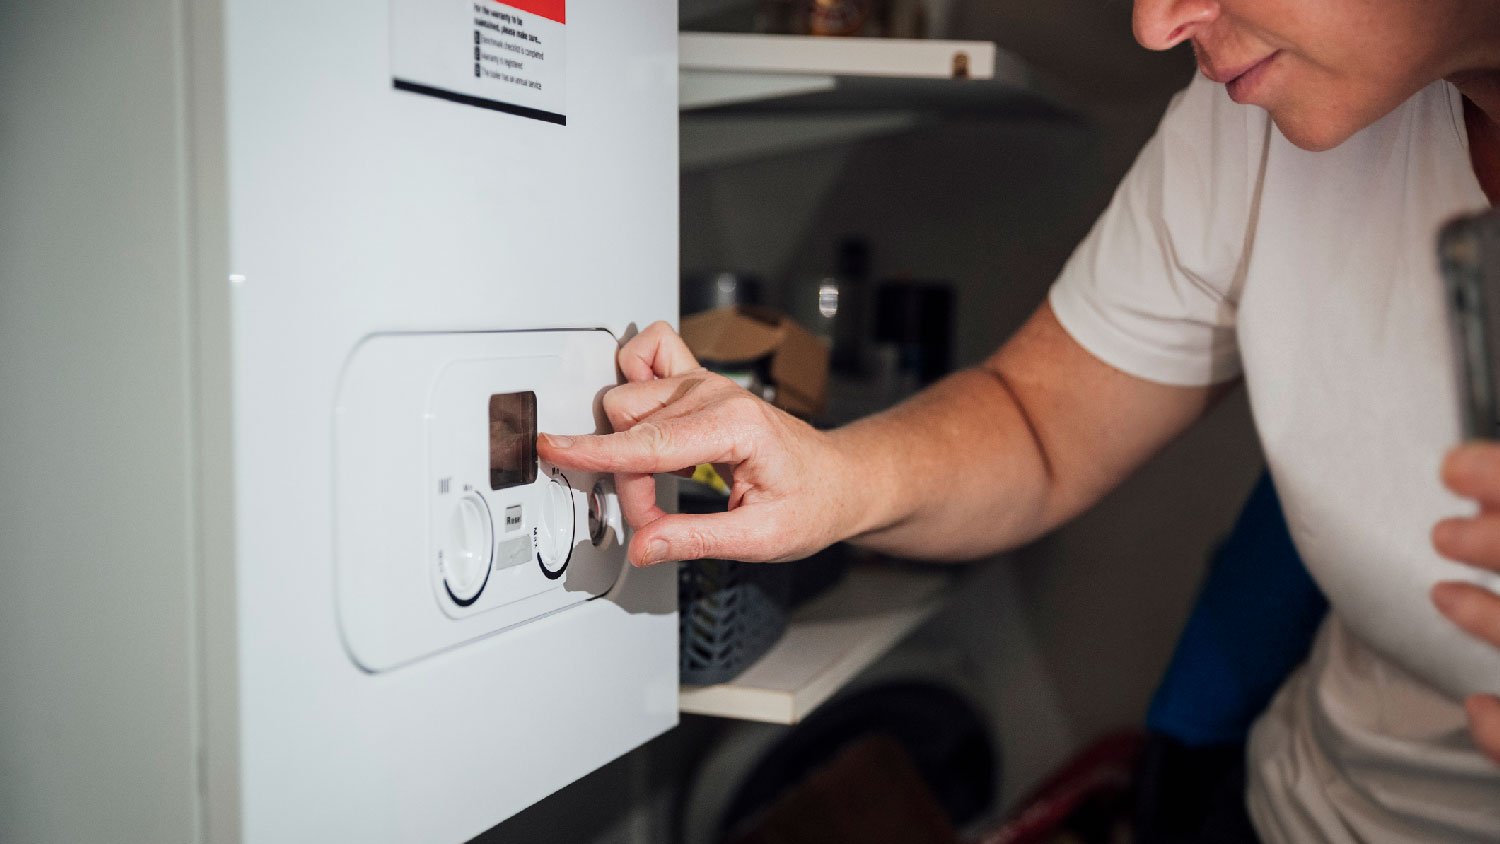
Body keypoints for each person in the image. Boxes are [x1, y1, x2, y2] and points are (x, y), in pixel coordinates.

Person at [541, 1, 1500, 840]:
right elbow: (1041, 422)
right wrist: (831, 475)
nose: (1154, 23)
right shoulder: (1248, 130)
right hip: (1302, 810)